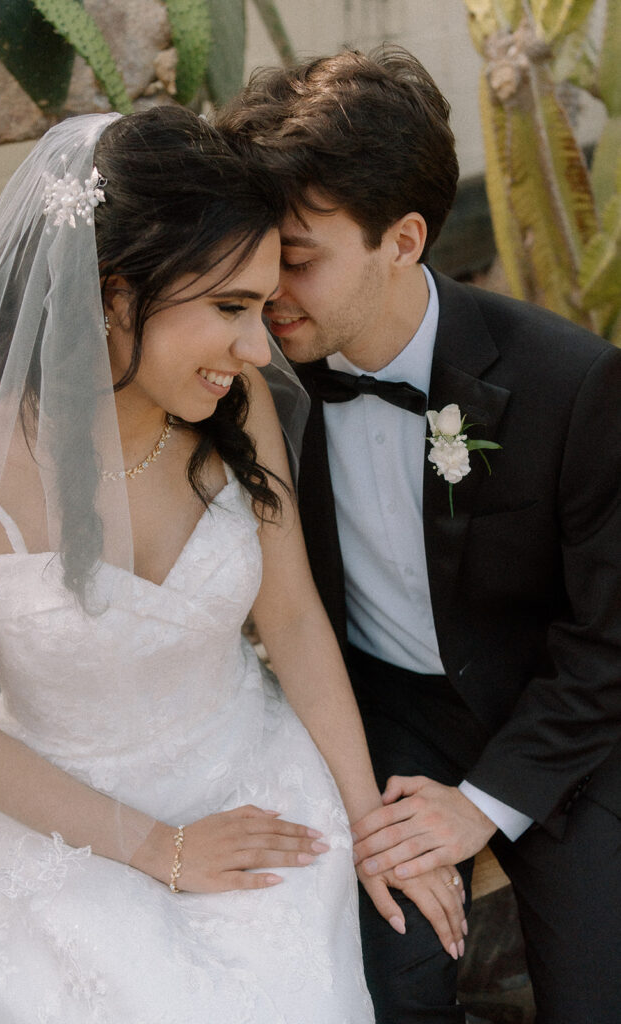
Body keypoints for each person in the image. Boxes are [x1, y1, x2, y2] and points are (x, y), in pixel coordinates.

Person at [0, 107, 466, 1022]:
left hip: (259, 787)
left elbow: (290, 620)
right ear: (112, 294)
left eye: (261, 306)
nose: (259, 349)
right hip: (64, 834)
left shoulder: (235, 404)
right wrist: (163, 849)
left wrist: (371, 824)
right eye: (228, 309)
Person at [215, 45, 621, 1024]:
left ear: (402, 240)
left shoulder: (573, 385)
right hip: (381, 725)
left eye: (300, 260)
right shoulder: (245, 383)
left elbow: (611, 640)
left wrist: (479, 806)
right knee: (382, 991)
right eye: (263, 256)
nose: (270, 291)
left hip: (560, 723)